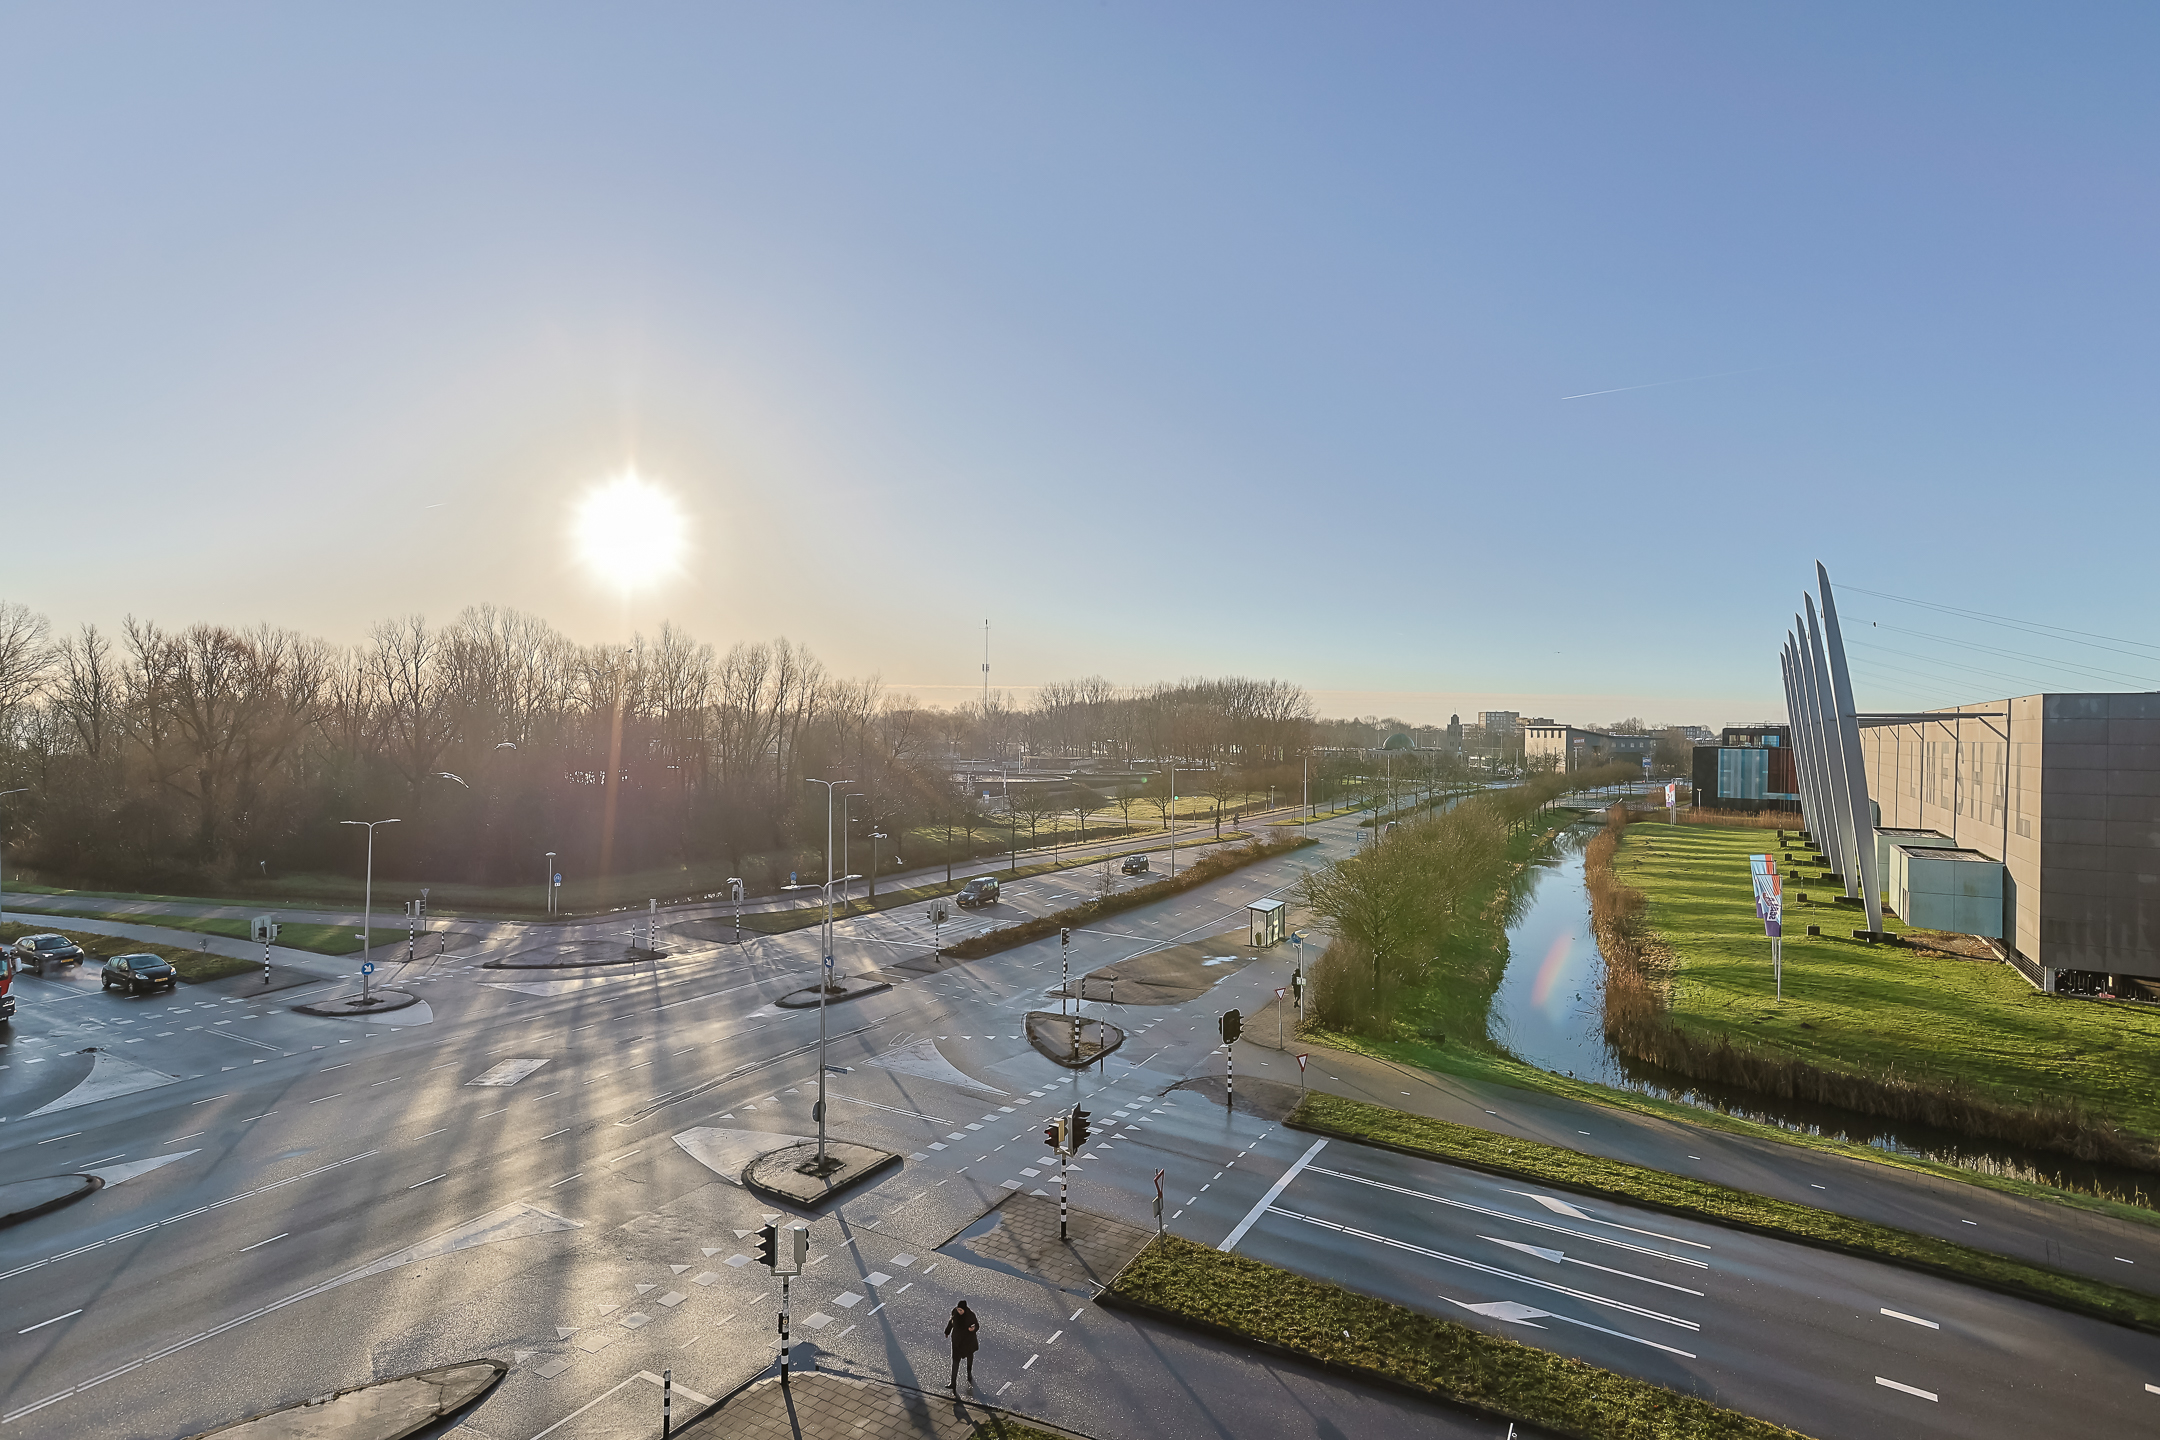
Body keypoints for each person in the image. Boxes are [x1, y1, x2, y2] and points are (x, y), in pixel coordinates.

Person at [944, 1300, 979, 1390]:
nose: (959, 1312)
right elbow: (951, 1322)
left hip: (967, 1342)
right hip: (957, 1342)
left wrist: (973, 1328)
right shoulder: (955, 1312)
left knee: (969, 1358)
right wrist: (947, 1331)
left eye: (961, 1310)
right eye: (958, 1309)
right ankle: (953, 1383)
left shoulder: (970, 1316)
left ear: (964, 1309)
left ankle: (969, 1373)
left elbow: (977, 1325)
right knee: (955, 1361)